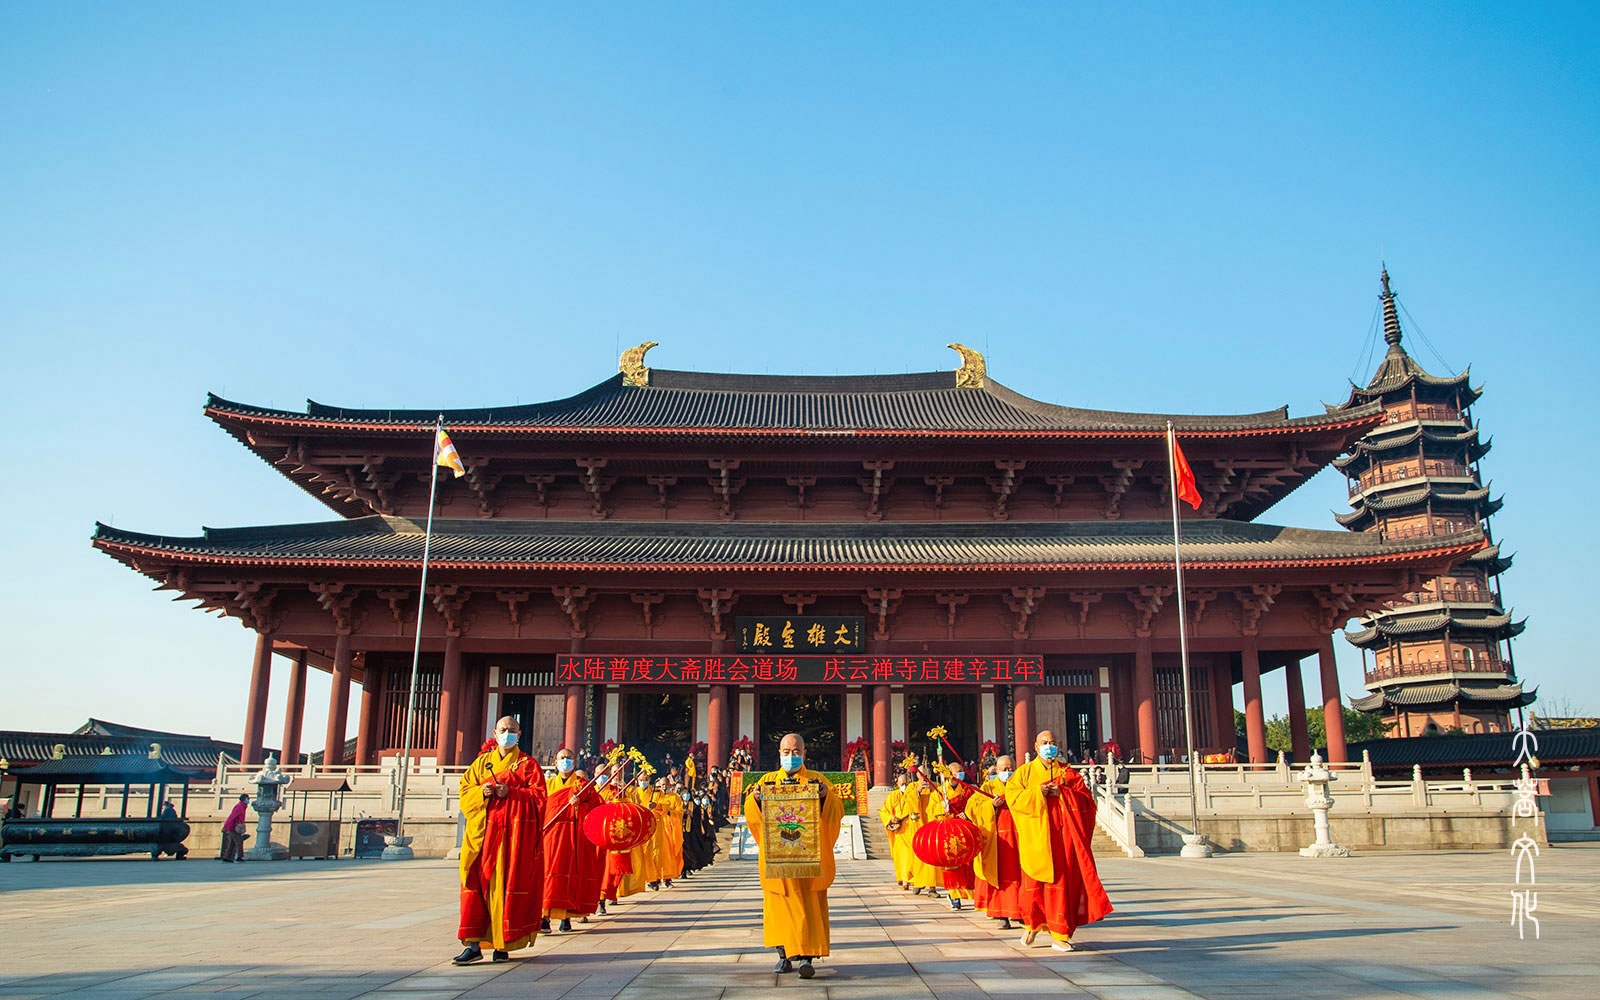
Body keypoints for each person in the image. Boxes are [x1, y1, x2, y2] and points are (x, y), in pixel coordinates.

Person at [743, 733, 844, 980]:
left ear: (804, 753)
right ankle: (784, 956)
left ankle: (807, 957)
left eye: (796, 751)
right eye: (786, 752)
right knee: (780, 906)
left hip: (808, 858)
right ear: (779, 754)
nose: (791, 756)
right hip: (779, 859)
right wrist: (755, 800)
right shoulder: (767, 781)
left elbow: (836, 811)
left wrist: (824, 797)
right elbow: (751, 815)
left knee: (809, 905)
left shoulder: (816, 781)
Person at [453, 716, 548, 965]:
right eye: (503, 730)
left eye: (512, 730)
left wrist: (513, 793)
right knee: (475, 887)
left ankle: (502, 944)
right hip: (482, 838)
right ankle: (473, 944)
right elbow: (464, 790)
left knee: (504, 890)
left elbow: (540, 799)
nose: (507, 734)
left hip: (511, 841)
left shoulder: (528, 765)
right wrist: (480, 792)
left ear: (520, 734)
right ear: (494, 733)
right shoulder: (482, 763)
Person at [1006, 730, 1112, 952]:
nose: (1049, 746)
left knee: (1059, 887)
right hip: (1036, 839)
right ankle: (1032, 924)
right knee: (1033, 888)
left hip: (1062, 839)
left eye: (1052, 742)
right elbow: (1013, 798)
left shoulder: (1068, 775)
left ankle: (1060, 934)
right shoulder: (1024, 773)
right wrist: (1037, 792)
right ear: (1035, 747)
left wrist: (1062, 793)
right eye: (1044, 743)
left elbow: (1086, 802)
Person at [542, 749, 603, 933]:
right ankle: (544, 916)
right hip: (550, 835)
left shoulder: (583, 786)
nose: (565, 761)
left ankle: (566, 917)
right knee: (547, 876)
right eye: (562, 758)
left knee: (570, 876)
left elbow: (596, 808)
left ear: (575, 762)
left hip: (572, 836)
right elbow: (538, 806)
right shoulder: (547, 784)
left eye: (569, 758)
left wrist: (580, 805)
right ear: (555, 762)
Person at [965, 754, 1024, 930]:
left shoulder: (1020, 786)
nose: (1008, 772)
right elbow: (972, 808)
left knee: (1020, 876)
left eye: (1010, 769)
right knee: (1000, 876)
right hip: (997, 841)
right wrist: (991, 805)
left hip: (1019, 838)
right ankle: (1002, 914)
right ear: (996, 770)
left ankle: (1020, 912)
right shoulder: (988, 787)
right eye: (1004, 769)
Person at [927, 764, 975, 910]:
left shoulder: (968, 790)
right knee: (952, 865)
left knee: (967, 864)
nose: (960, 774)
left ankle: (968, 892)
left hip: (965, 830)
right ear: (948, 773)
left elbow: (976, 805)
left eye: (962, 771)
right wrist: (942, 806)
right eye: (957, 772)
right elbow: (930, 811)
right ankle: (954, 894)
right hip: (949, 832)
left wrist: (968, 813)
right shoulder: (940, 792)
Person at [220, 793, 248, 862]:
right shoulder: (239, 807)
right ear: (244, 799)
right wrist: (226, 826)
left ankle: (227, 857)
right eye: (247, 799)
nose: (248, 800)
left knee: (232, 843)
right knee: (239, 841)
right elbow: (232, 817)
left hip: (234, 827)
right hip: (233, 827)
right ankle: (239, 857)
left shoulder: (242, 807)